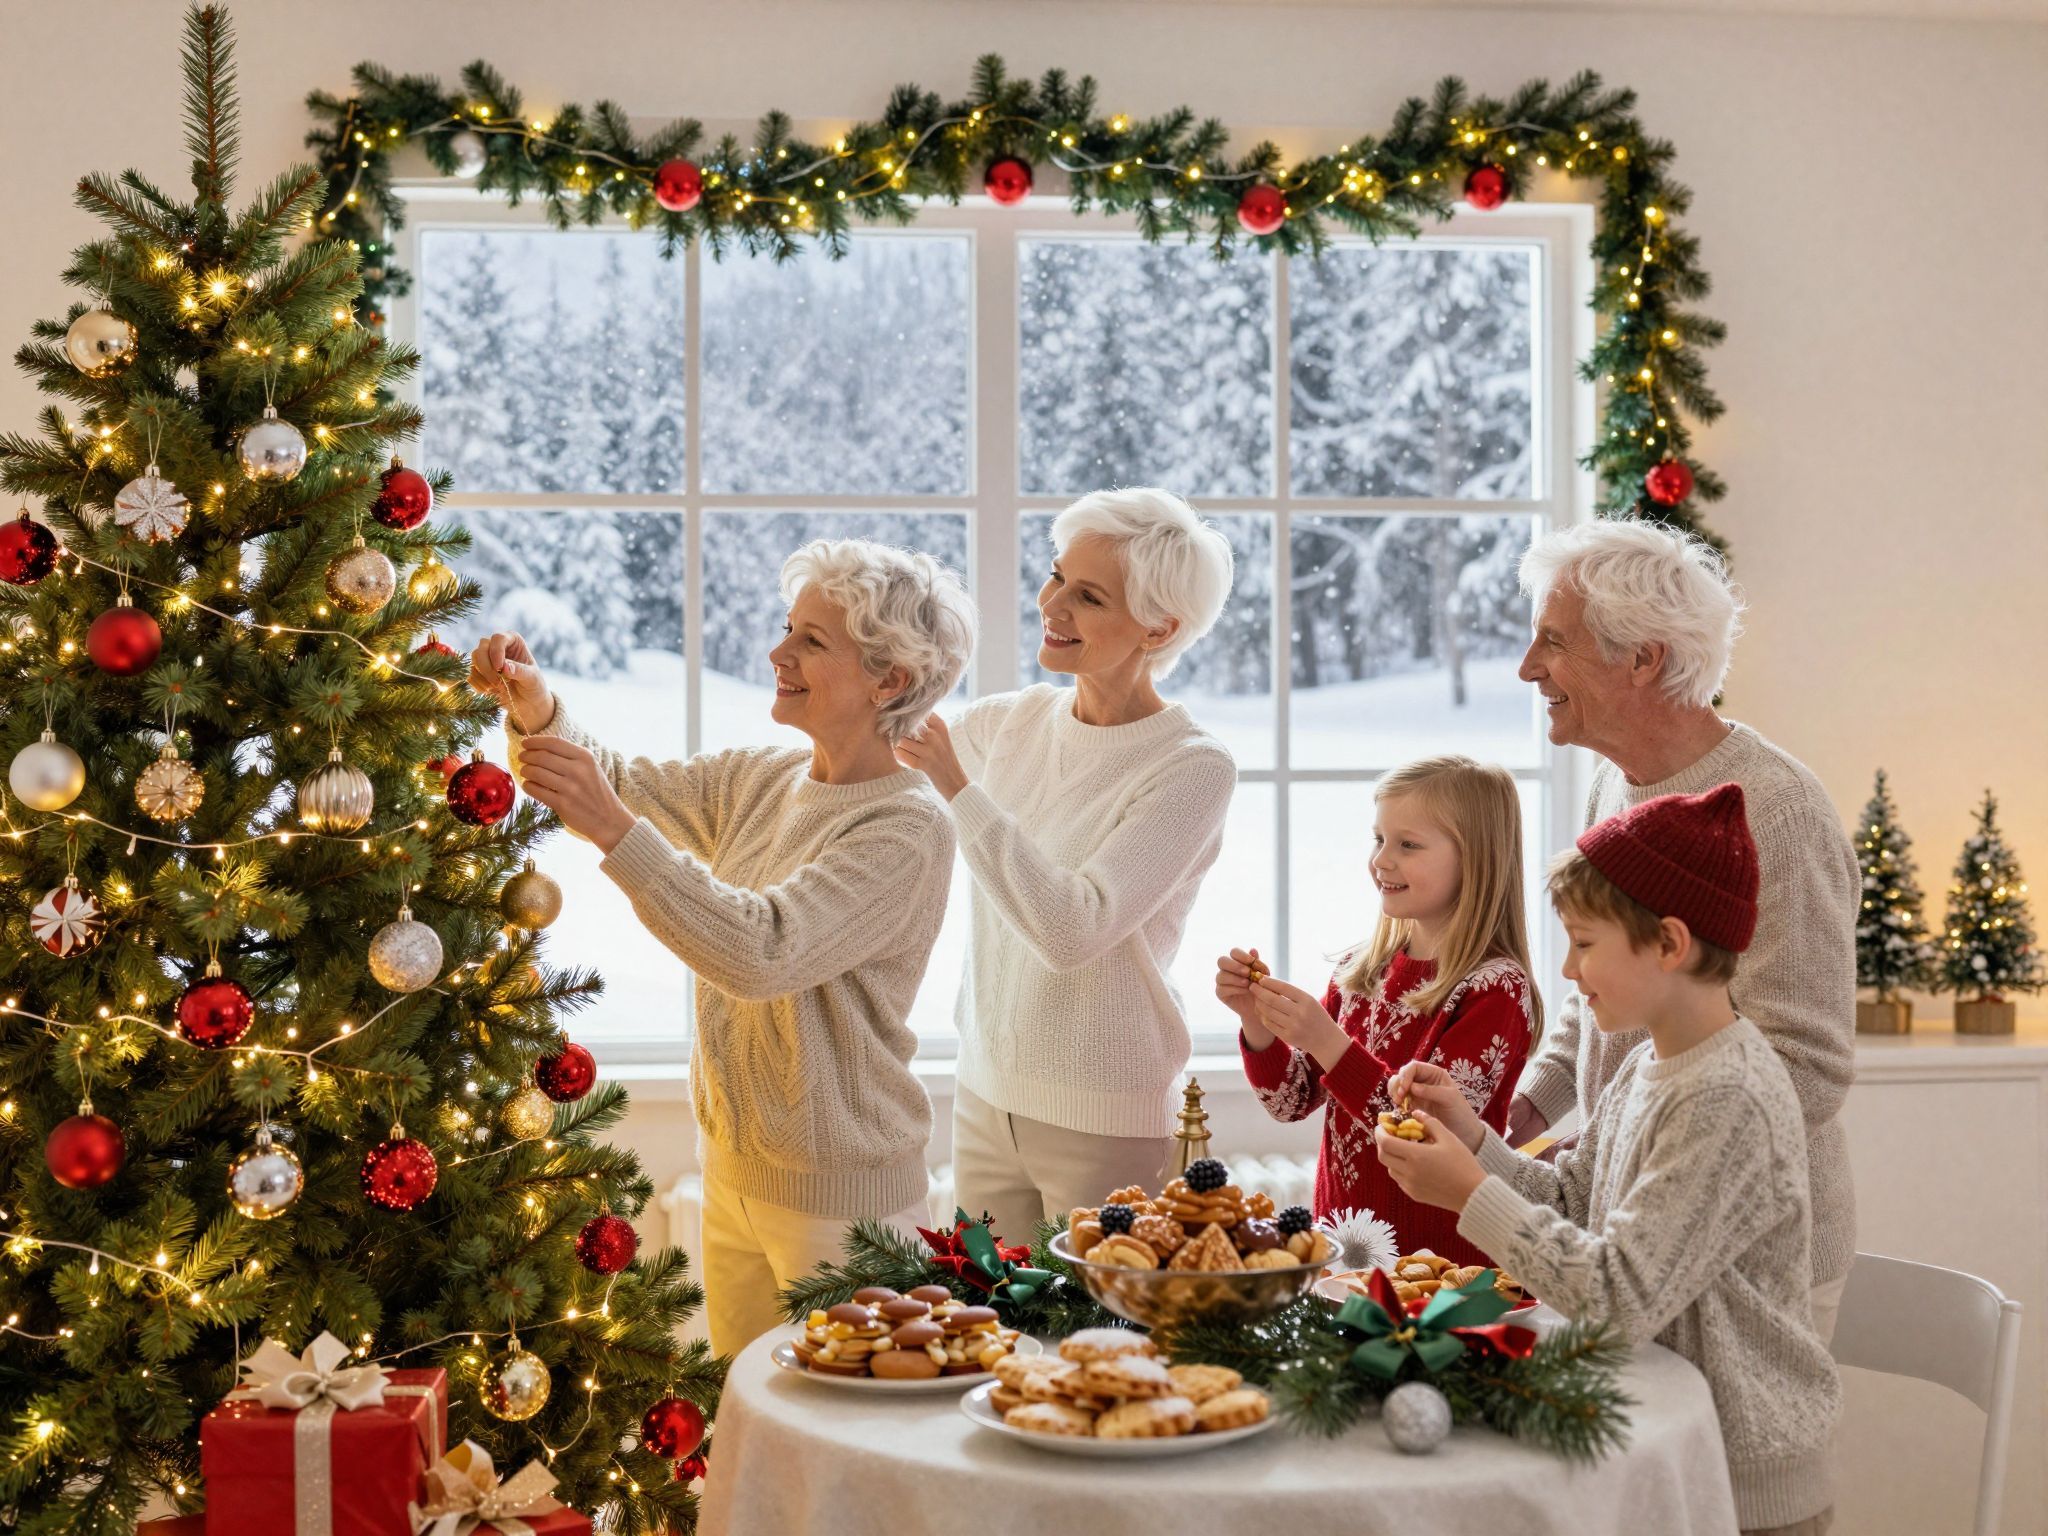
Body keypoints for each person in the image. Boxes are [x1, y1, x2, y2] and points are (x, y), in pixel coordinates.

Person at [469, 538, 976, 1354]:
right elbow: (624, 786)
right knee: (748, 1429)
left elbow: (760, 949)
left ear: (893, 680)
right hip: (737, 1174)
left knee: (846, 1450)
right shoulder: (766, 779)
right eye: (789, 629)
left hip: (845, 1207)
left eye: (813, 642)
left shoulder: (906, 827)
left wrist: (610, 826)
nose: (778, 652)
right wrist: (536, 707)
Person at [1381, 784, 1840, 1536]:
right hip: (1658, 1448)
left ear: (1668, 943)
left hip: (1736, 1483)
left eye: (1585, 944)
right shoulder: (1649, 1065)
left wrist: (1471, 1196)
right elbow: (1571, 1205)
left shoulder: (1728, 1097)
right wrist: (1474, 1142)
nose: (1567, 970)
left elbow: (1619, 1296)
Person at [1503, 518, 1857, 1341]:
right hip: (1631, 1230)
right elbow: (1595, 996)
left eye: (1553, 643)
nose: (1529, 668)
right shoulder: (1611, 787)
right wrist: (1532, 1108)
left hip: (1750, 1258)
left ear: (1643, 658)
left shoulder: (1781, 811)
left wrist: (1627, 1151)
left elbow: (1805, 1065)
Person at [894, 488, 1236, 1245]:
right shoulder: (1016, 721)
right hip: (984, 1095)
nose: (1052, 603)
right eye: (1056, 577)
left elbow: (1071, 927)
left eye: (1088, 596)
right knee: (993, 1337)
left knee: (1102, 1350)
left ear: (1160, 626)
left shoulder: (1192, 767)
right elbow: (881, 742)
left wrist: (959, 786)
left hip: (1107, 1119)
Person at [1217, 756, 1538, 1265]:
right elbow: (1290, 1101)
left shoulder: (1496, 990)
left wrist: (1327, 1041)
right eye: (1378, 839)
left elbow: (1431, 1133)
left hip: (1442, 1271)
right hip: (1345, 1254)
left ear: (1476, 858)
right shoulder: (1360, 971)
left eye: (1407, 844)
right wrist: (1256, 1023)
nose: (1381, 860)